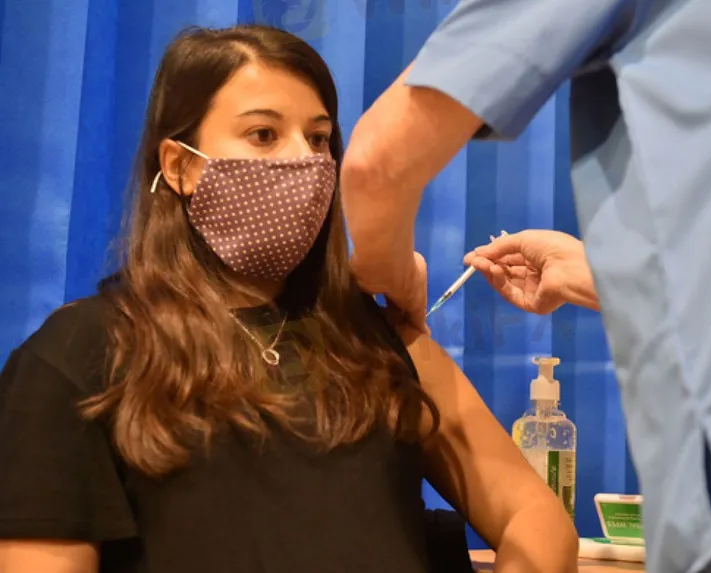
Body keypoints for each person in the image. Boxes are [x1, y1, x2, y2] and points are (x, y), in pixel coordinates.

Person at [0, 25, 578, 573]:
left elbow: (535, 519)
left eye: (319, 138)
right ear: (180, 166)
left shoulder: (376, 340)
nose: (303, 160)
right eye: (263, 135)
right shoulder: (81, 357)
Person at [339, 1, 711, 572]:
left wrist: (394, 281)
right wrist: (597, 274)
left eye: (319, 137)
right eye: (268, 134)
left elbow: (377, 161)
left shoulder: (393, 351)